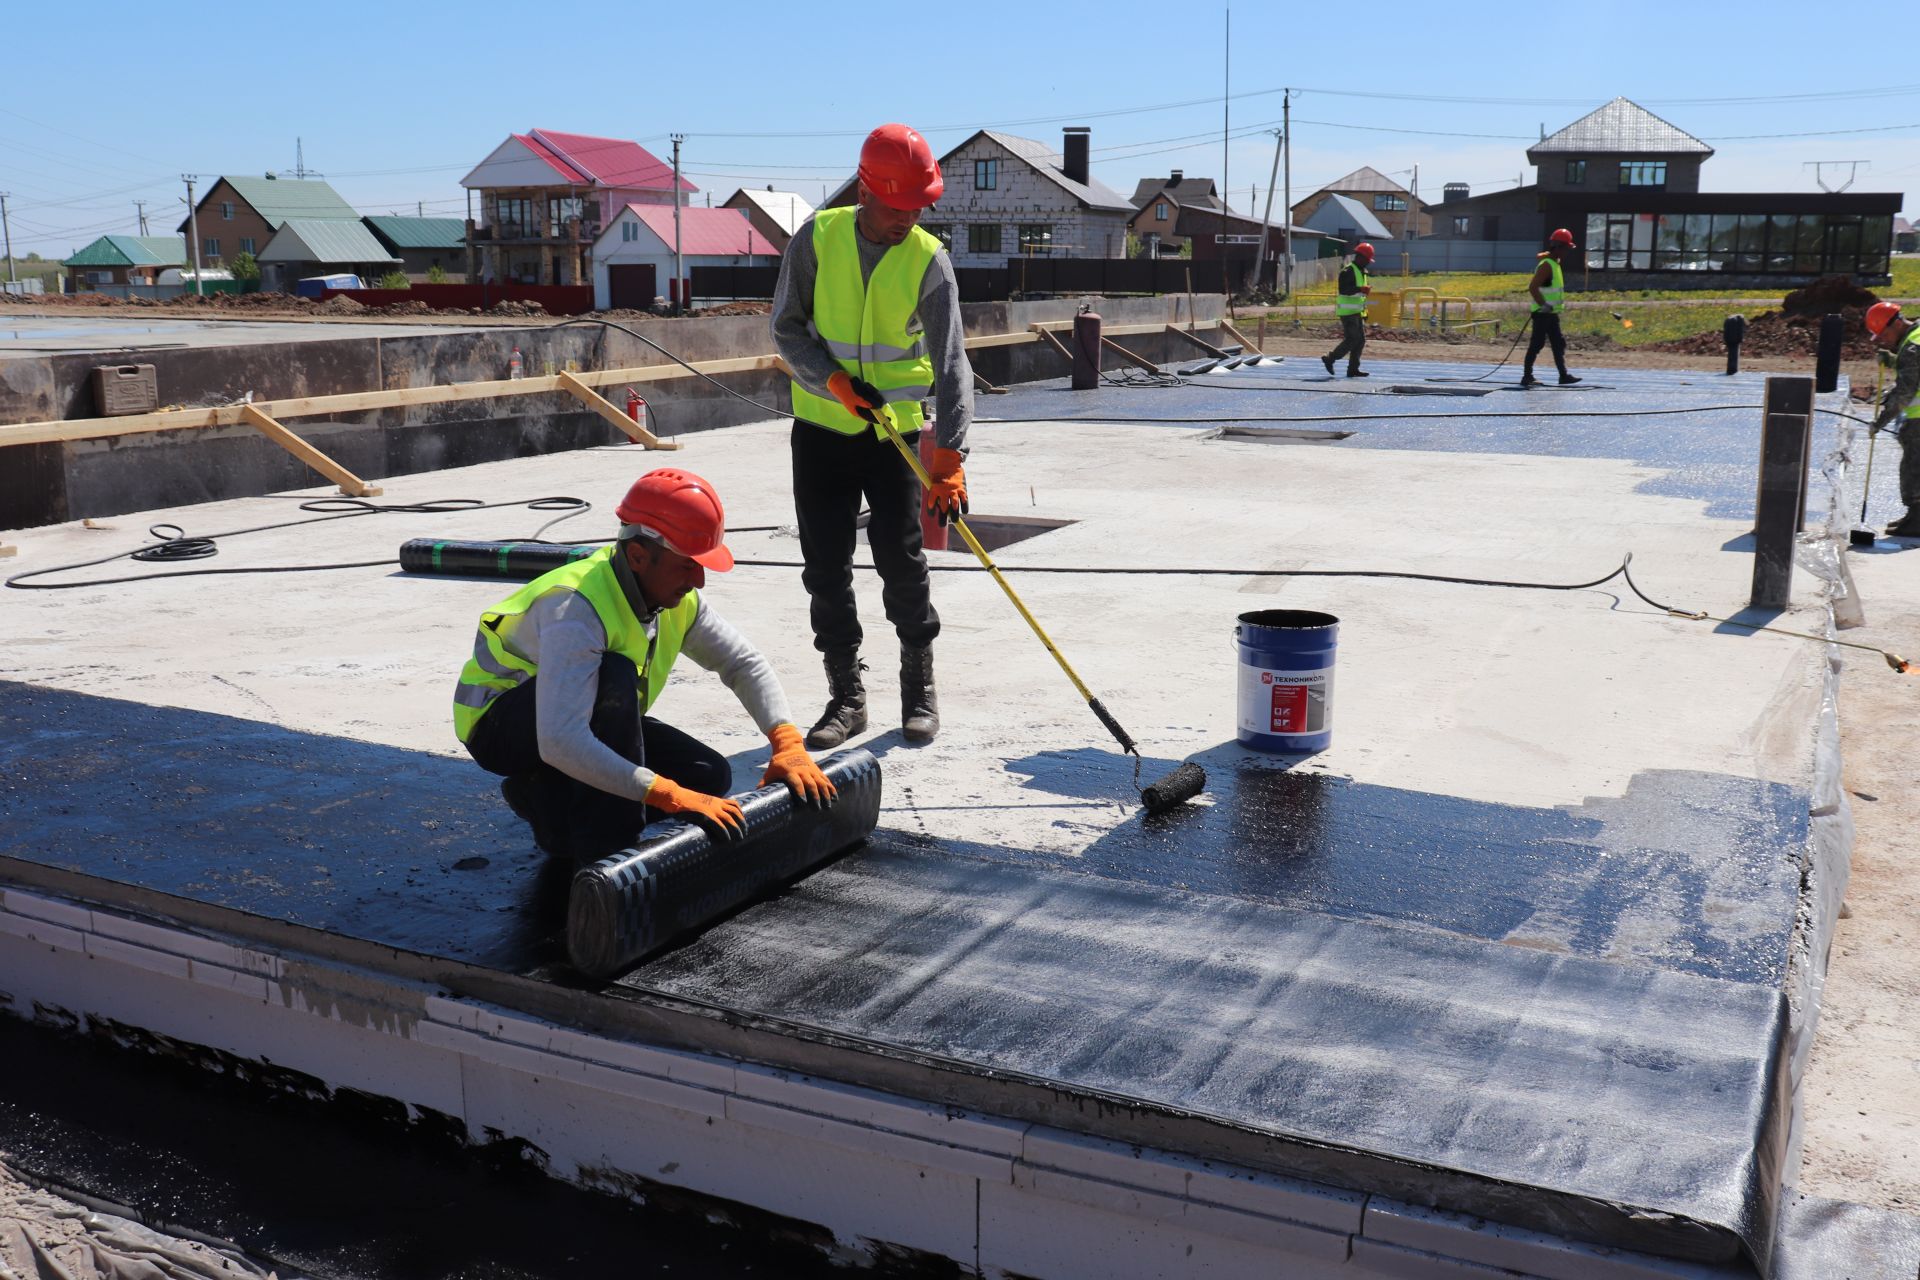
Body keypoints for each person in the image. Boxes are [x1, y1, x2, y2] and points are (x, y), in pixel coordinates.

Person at [454, 468, 836, 861]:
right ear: (637, 556)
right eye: (688, 565)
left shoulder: (676, 597)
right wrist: (667, 796)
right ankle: (600, 841)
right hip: (501, 726)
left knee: (707, 774)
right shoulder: (575, 608)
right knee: (613, 675)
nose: (700, 580)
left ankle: (544, 792)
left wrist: (786, 743)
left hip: (574, 715)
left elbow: (742, 663)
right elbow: (561, 739)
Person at [771, 122, 974, 750]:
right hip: (822, 434)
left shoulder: (927, 259)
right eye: (897, 206)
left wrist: (949, 457)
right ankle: (846, 696)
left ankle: (919, 687)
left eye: (919, 207)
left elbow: (952, 365)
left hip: (895, 438)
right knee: (825, 571)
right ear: (866, 190)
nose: (907, 219)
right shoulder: (817, 240)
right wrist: (832, 382)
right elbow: (786, 329)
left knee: (902, 564)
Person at [1864, 301, 1920, 538]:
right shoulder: (1915, 337)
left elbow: (1906, 393)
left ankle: (1917, 520)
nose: (1883, 340)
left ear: (1897, 323)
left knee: (1914, 467)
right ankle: (1914, 515)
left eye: (1884, 334)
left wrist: (1880, 421)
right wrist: (1893, 360)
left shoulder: (1911, 349)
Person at [1521, 228, 1581, 388]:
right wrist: (1544, 305)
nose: (1567, 252)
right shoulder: (1547, 265)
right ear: (1558, 247)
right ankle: (1527, 376)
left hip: (1551, 314)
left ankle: (1563, 375)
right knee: (1537, 344)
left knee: (1558, 344)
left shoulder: (1555, 264)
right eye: (1566, 248)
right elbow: (1533, 287)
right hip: (1542, 314)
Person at [1321, 242, 1374, 378]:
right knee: (1352, 339)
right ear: (1361, 257)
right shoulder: (1348, 271)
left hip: (1357, 312)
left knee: (1360, 340)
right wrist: (1361, 289)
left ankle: (1353, 369)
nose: (1368, 263)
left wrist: (1364, 311)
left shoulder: (1362, 271)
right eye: (1367, 259)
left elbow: (1360, 295)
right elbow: (1344, 290)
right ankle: (1330, 358)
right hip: (1347, 312)